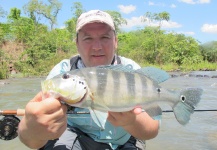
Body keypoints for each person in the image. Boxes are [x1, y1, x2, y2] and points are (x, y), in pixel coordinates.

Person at [18, 10, 161, 150]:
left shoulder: (133, 72)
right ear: (77, 44)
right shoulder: (63, 73)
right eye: (88, 39)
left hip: (125, 139)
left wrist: (131, 121)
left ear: (115, 41)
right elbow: (32, 142)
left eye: (105, 37)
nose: (97, 47)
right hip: (77, 137)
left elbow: (152, 130)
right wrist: (32, 129)